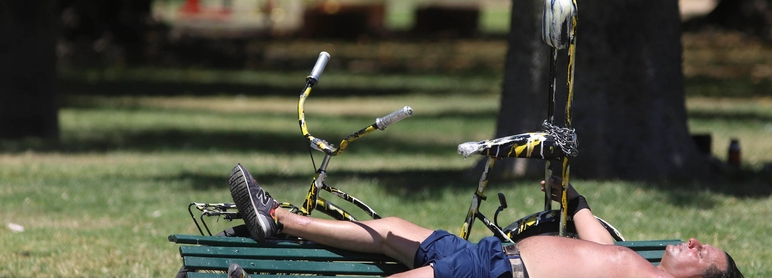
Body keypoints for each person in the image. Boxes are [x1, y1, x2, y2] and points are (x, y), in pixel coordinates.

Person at [226, 164, 743, 278]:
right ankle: (277, 218)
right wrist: (574, 199)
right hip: (486, 257)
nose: (692, 243)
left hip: (495, 276)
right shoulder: (638, 266)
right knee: (388, 228)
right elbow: (598, 241)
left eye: (703, 254)